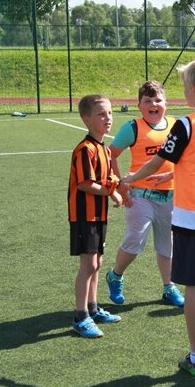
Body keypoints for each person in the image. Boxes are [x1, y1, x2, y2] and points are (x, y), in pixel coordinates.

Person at [122, 56, 195, 374]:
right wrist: (172, 176)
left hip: (191, 219)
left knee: (194, 288)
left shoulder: (185, 124)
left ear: (194, 88)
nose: (183, 91)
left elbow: (158, 159)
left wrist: (131, 178)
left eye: (185, 85)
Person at [105, 81, 184, 308]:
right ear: (139, 105)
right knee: (135, 239)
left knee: (167, 244)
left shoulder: (176, 126)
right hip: (140, 194)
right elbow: (111, 155)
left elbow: (185, 159)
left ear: (166, 103)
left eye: (158, 100)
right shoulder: (132, 127)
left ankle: (169, 287)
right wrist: (119, 184)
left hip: (170, 195)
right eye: (147, 101)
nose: (153, 105)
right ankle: (115, 276)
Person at [68, 94, 123, 338]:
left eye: (110, 113)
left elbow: (107, 179)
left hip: (99, 216)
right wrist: (111, 191)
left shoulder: (104, 149)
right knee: (89, 264)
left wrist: (115, 188)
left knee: (97, 263)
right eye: (101, 114)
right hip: (84, 216)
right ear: (86, 119)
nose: (108, 118)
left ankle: (92, 308)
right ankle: (80, 317)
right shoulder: (85, 149)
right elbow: (85, 184)